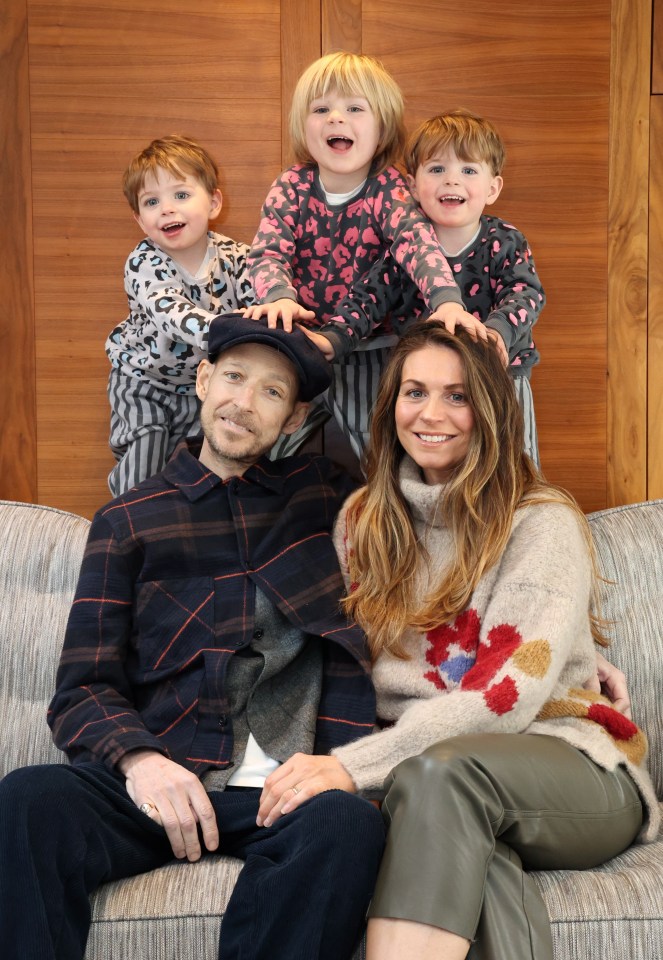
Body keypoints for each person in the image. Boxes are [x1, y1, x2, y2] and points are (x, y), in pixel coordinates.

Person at [0, 315, 385, 960]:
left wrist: (563, 655)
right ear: (204, 380)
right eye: (233, 377)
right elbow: (82, 688)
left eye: (272, 392)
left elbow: (444, 537)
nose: (243, 402)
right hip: (162, 776)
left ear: (292, 420)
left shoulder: (328, 502)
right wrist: (141, 762)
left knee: (347, 823)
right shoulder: (129, 521)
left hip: (284, 792)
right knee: (27, 801)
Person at [323, 321, 657, 960]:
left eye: (457, 396)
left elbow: (506, 694)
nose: (432, 414)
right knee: (465, 847)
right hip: (431, 777)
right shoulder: (359, 523)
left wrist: (350, 767)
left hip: (574, 764)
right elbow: (335, 660)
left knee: (442, 779)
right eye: (414, 392)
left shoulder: (539, 522)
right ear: (390, 403)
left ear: (491, 411)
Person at [244, 52, 480, 460]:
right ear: (304, 126)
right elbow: (267, 252)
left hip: (370, 347)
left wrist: (446, 298)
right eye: (321, 109)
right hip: (301, 342)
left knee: (378, 446)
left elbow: (417, 243)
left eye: (354, 108)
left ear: (382, 127)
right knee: (269, 442)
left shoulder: (388, 188)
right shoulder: (292, 185)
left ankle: (391, 514)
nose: (337, 118)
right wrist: (279, 296)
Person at [353, 109, 545, 466]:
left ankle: (520, 514)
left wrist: (497, 334)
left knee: (514, 461)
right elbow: (370, 298)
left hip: (501, 374)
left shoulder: (503, 240)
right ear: (412, 185)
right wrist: (336, 336)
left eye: (468, 170)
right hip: (428, 385)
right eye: (437, 169)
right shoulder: (407, 247)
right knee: (414, 463)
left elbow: (526, 293)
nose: (451, 181)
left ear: (493, 188)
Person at [105, 136, 255, 496]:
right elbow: (170, 312)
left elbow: (258, 308)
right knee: (143, 461)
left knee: (209, 471)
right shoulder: (144, 262)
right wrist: (226, 328)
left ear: (214, 202)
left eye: (181, 195)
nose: (167, 209)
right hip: (144, 382)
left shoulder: (238, 257)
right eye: (152, 202)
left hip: (201, 388)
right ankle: (122, 533)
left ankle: (194, 536)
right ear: (140, 220)